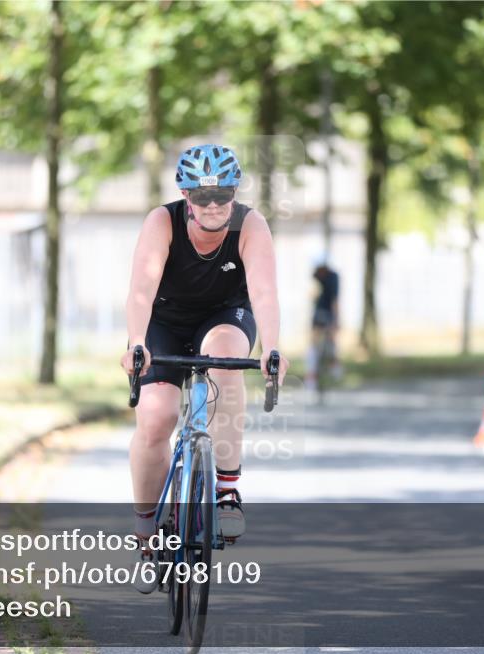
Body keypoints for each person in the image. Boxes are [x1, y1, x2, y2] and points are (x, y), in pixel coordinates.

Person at [120, 144, 289, 592]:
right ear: (185, 194)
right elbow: (140, 290)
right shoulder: (162, 221)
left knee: (226, 362)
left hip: (225, 315)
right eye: (201, 197)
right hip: (165, 320)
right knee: (156, 417)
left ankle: (227, 488)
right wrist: (137, 342)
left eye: (223, 196)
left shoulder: (251, 225)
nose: (213, 206)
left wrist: (271, 348)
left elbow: (266, 293)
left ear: (235, 193)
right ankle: (146, 533)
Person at [305, 253, 340, 391]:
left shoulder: (322, 277)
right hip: (321, 312)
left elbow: (334, 300)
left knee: (327, 339)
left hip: (324, 312)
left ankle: (331, 364)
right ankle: (328, 367)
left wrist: (336, 319)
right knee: (317, 342)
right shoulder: (331, 276)